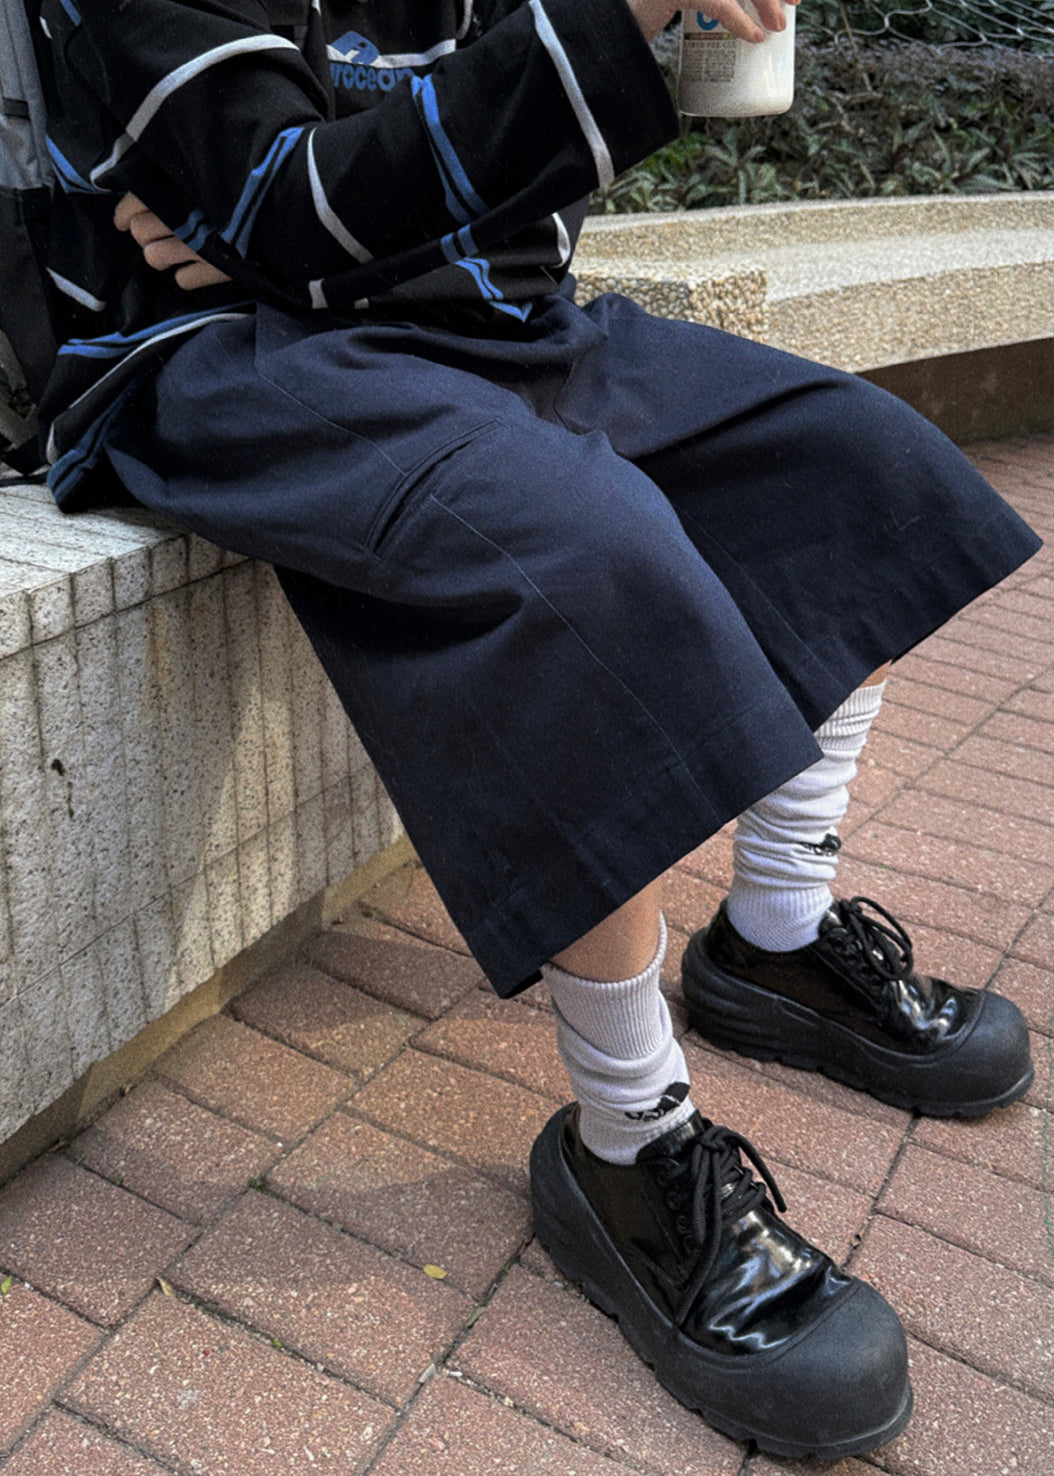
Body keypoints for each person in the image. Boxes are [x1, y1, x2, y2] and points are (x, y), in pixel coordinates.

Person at [33, 0, 1039, 1459]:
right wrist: (310, 221)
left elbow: (462, 208)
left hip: (487, 325)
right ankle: (628, 1146)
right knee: (585, 560)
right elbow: (293, 204)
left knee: (860, 465)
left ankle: (772, 939)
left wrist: (329, 221)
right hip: (223, 352)